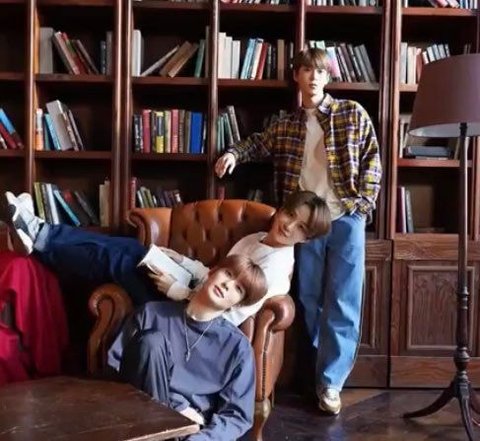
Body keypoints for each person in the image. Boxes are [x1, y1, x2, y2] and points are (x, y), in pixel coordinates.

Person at [215, 48, 382, 415]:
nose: (313, 77)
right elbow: (258, 143)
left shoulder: (351, 113)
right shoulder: (286, 124)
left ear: (328, 77)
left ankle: (331, 383)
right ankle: (313, 375)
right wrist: (233, 154)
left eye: (320, 71)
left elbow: (373, 159)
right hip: (304, 226)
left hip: (345, 218)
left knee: (343, 299)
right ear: (297, 77)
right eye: (306, 70)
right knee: (307, 298)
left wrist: (362, 205)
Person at [3, 190, 330, 325]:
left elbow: (228, 318)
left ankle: (41, 237)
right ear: (282, 210)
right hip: (190, 294)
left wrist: (178, 290)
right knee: (131, 249)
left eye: (301, 228)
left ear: (306, 238)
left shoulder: (276, 267)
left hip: (192, 318)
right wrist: (176, 259)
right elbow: (215, 273)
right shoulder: (254, 239)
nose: (289, 226)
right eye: (290, 215)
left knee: (121, 260)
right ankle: (42, 236)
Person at [108, 254, 267, 441]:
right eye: (228, 274)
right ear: (212, 272)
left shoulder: (237, 347)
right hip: (139, 420)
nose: (227, 285)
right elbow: (115, 368)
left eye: (238, 288)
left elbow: (236, 417)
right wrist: (178, 408)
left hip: (193, 434)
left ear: (237, 304)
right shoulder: (150, 313)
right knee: (151, 342)